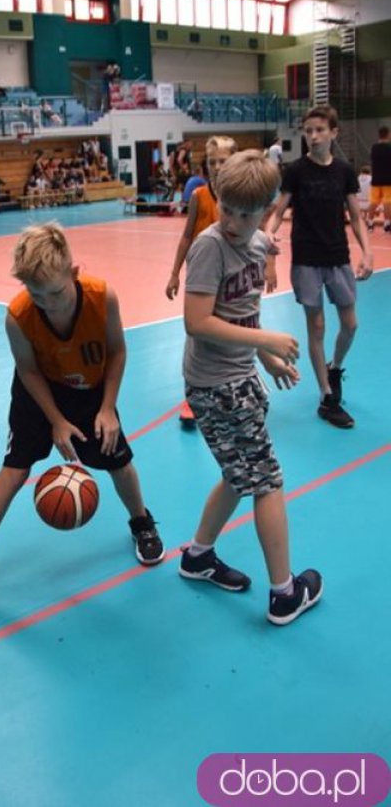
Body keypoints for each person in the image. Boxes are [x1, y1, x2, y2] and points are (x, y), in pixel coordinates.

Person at [0, 221, 165, 616]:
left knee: (119, 460)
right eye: (36, 294)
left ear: (74, 273)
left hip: (90, 393)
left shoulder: (103, 298)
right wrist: (55, 420)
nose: (47, 303)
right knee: (14, 470)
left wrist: (107, 408)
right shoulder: (18, 316)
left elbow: (117, 352)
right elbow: (29, 372)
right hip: (38, 393)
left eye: (54, 293)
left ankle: (142, 522)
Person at [179, 149, 322, 626]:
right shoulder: (209, 246)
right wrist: (264, 339)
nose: (235, 221)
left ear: (267, 210)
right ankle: (285, 594)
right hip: (216, 386)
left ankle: (198, 556)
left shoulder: (259, 244)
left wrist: (263, 355)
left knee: (239, 475)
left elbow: (242, 307)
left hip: (242, 375)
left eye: (247, 212)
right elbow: (197, 322)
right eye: (227, 209)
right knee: (268, 483)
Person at [269, 104, 373, 429]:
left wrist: (367, 253)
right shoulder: (296, 171)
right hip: (306, 260)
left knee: (351, 324)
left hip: (338, 258)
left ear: (333, 133)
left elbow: (355, 217)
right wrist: (266, 239)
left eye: (319, 130)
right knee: (316, 328)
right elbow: (278, 210)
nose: (313, 136)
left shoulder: (344, 171)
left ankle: (335, 367)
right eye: (308, 131)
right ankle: (327, 398)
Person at [165, 136, 238, 300]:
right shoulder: (198, 196)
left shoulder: (240, 196)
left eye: (223, 161)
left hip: (231, 273)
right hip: (201, 271)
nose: (217, 167)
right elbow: (186, 236)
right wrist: (175, 274)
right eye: (212, 162)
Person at [368, 125, 391, 233]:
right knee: (388, 202)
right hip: (388, 179)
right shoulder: (389, 148)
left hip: (376, 179)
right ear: (388, 134)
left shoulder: (374, 148)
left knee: (373, 202)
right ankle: (387, 224)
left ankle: (370, 223)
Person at [358, 165, 372, 229]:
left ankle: (362, 218)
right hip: (369, 203)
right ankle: (369, 220)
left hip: (357, 203)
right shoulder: (371, 178)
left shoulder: (357, 178)